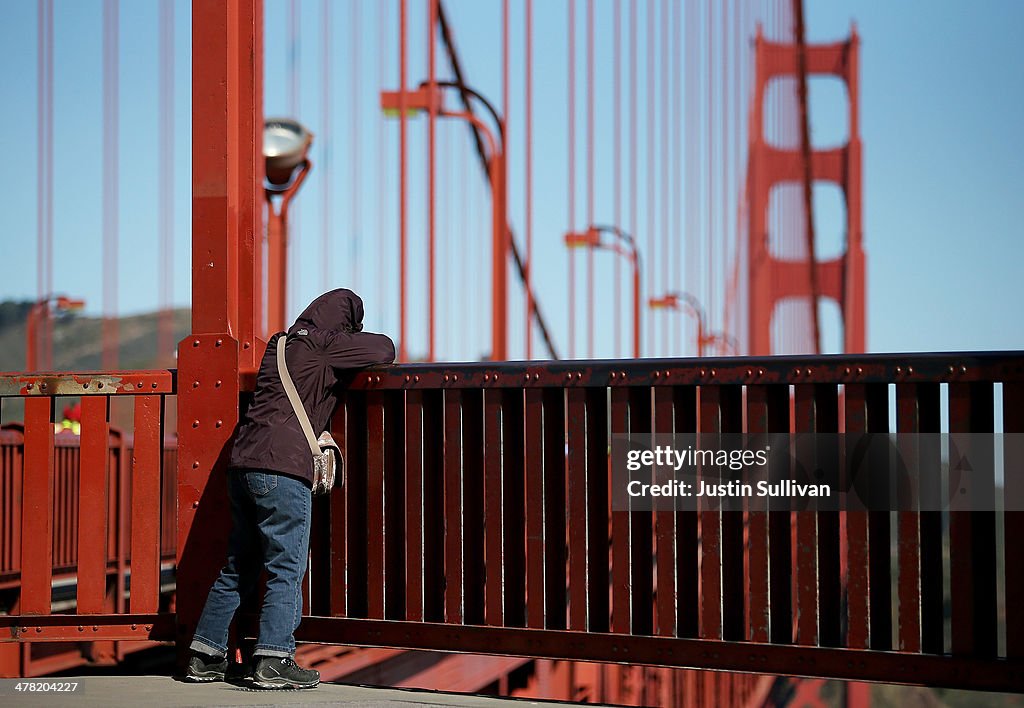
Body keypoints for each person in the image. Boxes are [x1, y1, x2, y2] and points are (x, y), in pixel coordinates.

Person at [185, 289, 395, 689]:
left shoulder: (278, 346)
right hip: (282, 469)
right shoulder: (325, 344)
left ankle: (204, 655)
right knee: (287, 566)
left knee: (238, 564)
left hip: (242, 465)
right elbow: (385, 349)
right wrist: (347, 340)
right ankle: (274, 659)